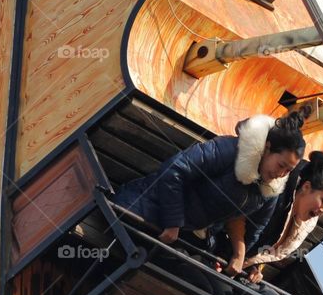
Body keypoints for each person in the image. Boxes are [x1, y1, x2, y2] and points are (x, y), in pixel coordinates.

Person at [111, 109, 309, 280]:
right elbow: (174, 170)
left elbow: (255, 228)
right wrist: (173, 223)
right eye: (281, 165)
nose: (281, 174)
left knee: (216, 289)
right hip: (145, 214)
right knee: (192, 282)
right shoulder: (230, 150)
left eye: (288, 171)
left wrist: (236, 257)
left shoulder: (269, 191)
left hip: (187, 240)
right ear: (267, 149)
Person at [220, 151, 323, 295]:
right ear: (306, 187)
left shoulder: (297, 223)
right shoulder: (275, 193)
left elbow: (261, 250)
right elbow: (236, 218)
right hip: (218, 250)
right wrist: (239, 254)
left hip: (239, 271)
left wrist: (256, 269)